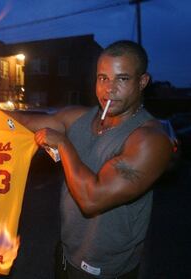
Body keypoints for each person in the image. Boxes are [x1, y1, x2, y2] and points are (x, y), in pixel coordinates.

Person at [11, 40, 173, 278]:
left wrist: (64, 144)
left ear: (142, 82)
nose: (109, 88)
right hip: (67, 253)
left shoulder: (149, 139)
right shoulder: (79, 118)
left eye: (122, 79)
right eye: (103, 78)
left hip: (106, 269)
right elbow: (23, 123)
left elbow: (92, 199)